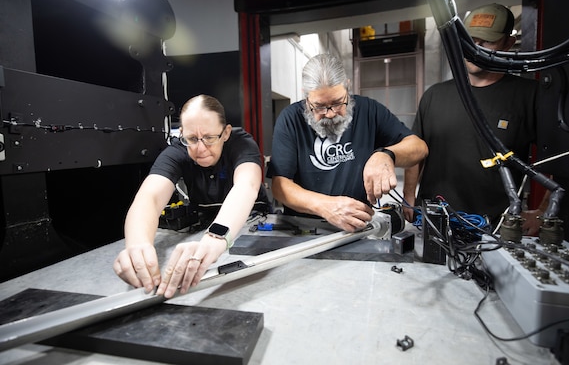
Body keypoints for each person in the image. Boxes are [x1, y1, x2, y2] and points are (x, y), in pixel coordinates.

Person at [403, 3, 545, 233]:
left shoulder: (530, 95)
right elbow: (415, 150)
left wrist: (543, 212)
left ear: (508, 44)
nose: (474, 48)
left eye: (486, 41)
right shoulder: (434, 95)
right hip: (434, 225)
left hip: (496, 229)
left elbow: (561, 161)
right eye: (469, 40)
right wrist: (409, 195)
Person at [113, 94, 270, 298]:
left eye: (209, 138)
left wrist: (217, 235)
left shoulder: (241, 143)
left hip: (255, 227)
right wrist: (137, 244)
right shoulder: (179, 150)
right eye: (192, 139)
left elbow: (246, 186)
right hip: (205, 232)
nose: (200, 148)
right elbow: (149, 198)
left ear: (226, 133)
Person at [269, 53, 428, 232]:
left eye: (338, 103)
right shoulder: (290, 119)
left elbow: (418, 147)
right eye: (320, 106)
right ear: (306, 97)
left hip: (358, 227)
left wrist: (387, 155)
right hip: (304, 230)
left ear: (347, 87)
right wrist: (324, 206)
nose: (330, 113)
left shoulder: (369, 110)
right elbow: (280, 186)